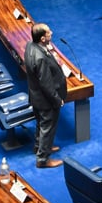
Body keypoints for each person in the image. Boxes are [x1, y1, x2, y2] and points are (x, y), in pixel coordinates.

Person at [24, 22, 66, 169]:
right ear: (42, 38)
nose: (51, 33)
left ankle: (40, 147)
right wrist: (57, 99)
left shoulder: (30, 45)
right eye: (48, 32)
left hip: (35, 96)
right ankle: (42, 159)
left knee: (41, 124)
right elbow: (46, 84)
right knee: (48, 127)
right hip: (45, 100)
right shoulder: (40, 58)